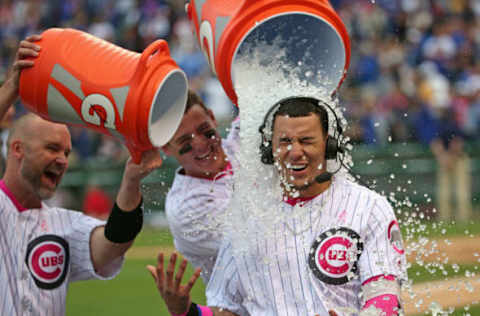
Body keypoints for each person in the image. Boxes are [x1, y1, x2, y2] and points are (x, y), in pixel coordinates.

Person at [149, 97, 407, 316]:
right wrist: (186, 311)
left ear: (328, 144)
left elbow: (385, 296)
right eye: (284, 142)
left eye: (306, 140)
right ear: (269, 148)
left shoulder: (368, 206)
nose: (295, 152)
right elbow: (228, 310)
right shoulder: (244, 219)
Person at [0, 35, 162, 315]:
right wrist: (13, 88)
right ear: (18, 149)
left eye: (66, 152)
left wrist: (131, 181)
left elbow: (112, 244)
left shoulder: (62, 224)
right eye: (52, 148)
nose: (62, 160)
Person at [161, 90, 239, 283]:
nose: (201, 144)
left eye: (205, 131)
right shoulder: (187, 209)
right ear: (166, 147)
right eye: (185, 141)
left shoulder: (241, 139)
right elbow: (262, 241)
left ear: (213, 118)